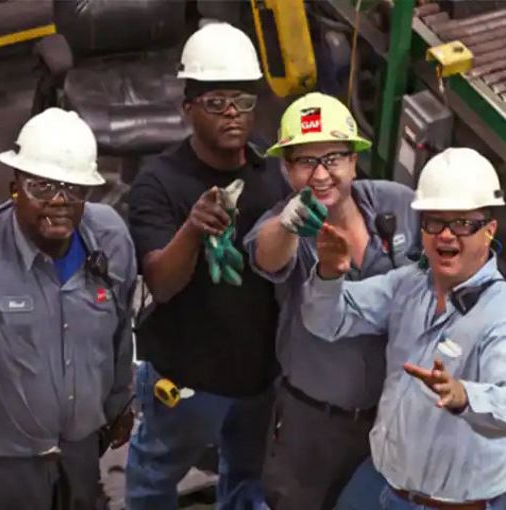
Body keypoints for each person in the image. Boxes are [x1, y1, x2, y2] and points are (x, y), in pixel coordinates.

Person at [125, 22, 290, 510]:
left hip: (258, 381)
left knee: (246, 480)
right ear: (187, 108)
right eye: (216, 103)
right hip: (187, 380)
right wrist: (193, 229)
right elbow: (161, 281)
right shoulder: (158, 181)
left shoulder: (271, 173)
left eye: (242, 102)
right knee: (154, 479)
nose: (232, 115)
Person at [243, 91, 420, 510]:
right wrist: (288, 226)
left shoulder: (397, 203)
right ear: (287, 171)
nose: (320, 175)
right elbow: (267, 255)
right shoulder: (280, 227)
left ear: (354, 161)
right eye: (305, 161)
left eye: (333, 158)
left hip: (390, 418)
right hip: (312, 425)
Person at [302, 147, 506, 510]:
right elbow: (325, 321)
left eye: (462, 224)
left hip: (450, 504)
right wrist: (329, 275)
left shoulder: (499, 313)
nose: (446, 235)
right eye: (434, 222)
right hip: (379, 483)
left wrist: (463, 396)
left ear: (489, 231)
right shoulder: (409, 285)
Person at [0, 107, 136, 510]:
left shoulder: (110, 238)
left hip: (81, 450)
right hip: (9, 462)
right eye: (41, 187)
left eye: (73, 188)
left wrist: (120, 403)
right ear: (14, 187)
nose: (59, 201)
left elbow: (121, 327)